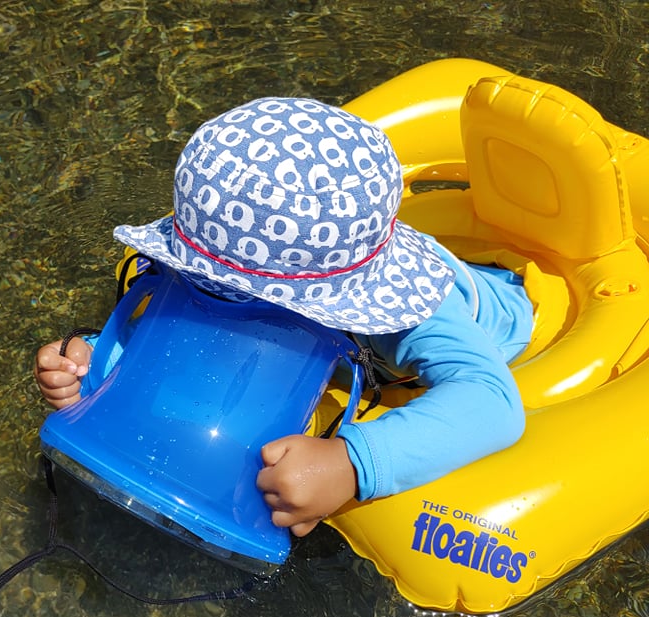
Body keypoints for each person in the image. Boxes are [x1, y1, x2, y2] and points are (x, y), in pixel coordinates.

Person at [35, 97, 533, 539]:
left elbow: (492, 401)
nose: (217, 299)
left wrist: (350, 463)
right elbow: (198, 343)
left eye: (232, 292)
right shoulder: (221, 250)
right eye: (209, 284)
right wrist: (103, 363)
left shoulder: (414, 313)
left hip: (493, 322)